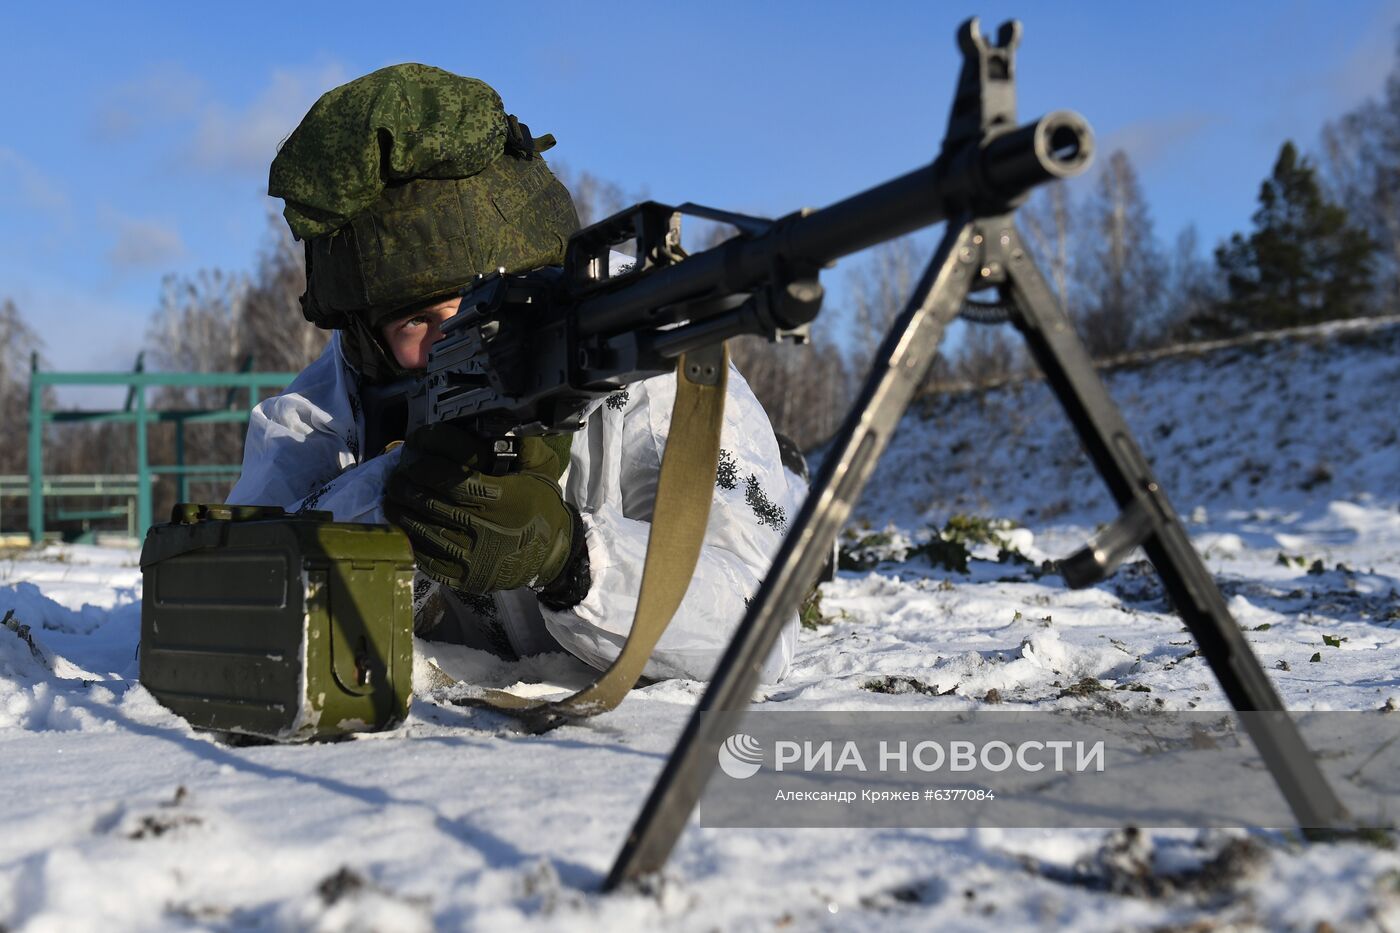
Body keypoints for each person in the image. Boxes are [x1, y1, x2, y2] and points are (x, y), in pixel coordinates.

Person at [227, 63, 802, 683]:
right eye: (419, 320)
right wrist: (395, 495)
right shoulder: (321, 411)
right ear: (367, 341)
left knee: (800, 537)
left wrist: (572, 562)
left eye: (489, 303)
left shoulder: (650, 369)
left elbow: (763, 636)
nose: (462, 339)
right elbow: (228, 602)